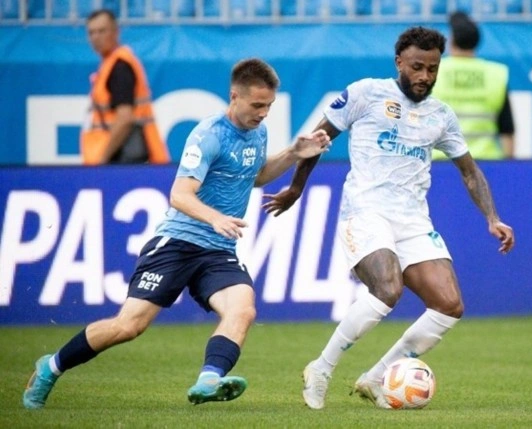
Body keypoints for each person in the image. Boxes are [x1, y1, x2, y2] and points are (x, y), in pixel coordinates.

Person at [23, 58, 332, 409]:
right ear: (234, 96)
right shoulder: (208, 134)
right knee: (129, 326)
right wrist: (215, 218)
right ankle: (51, 366)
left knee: (242, 310)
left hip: (218, 251)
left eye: (269, 106)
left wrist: (292, 152)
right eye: (257, 105)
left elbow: (256, 176)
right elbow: (179, 195)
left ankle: (209, 379)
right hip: (177, 244)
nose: (263, 113)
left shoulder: (258, 132)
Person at [262, 26, 515, 410]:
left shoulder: (441, 115)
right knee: (388, 289)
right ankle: (321, 368)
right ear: (399, 62)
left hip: (412, 219)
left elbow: (469, 171)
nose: (424, 76)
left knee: (449, 305)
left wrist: (492, 218)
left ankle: (377, 377)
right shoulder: (366, 93)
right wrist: (296, 188)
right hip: (365, 211)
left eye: (432, 69)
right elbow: (317, 140)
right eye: (417, 67)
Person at [80, 9, 170, 165]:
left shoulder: (119, 66)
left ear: (116, 32)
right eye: (91, 32)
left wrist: (102, 158)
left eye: (102, 31)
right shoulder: (109, 64)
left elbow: (125, 117)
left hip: (123, 158)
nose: (96, 37)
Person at [431, 11, 515, 160]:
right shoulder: (495, 74)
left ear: (451, 40)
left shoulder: (432, 70)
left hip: (442, 161)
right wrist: (509, 165)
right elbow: (507, 130)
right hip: (485, 161)